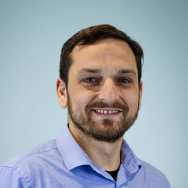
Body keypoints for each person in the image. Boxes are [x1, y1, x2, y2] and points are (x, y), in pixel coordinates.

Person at [0, 24, 171, 188]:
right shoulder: (20, 179)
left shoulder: (157, 182)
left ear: (139, 93)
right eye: (91, 80)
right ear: (62, 92)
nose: (109, 95)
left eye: (124, 80)